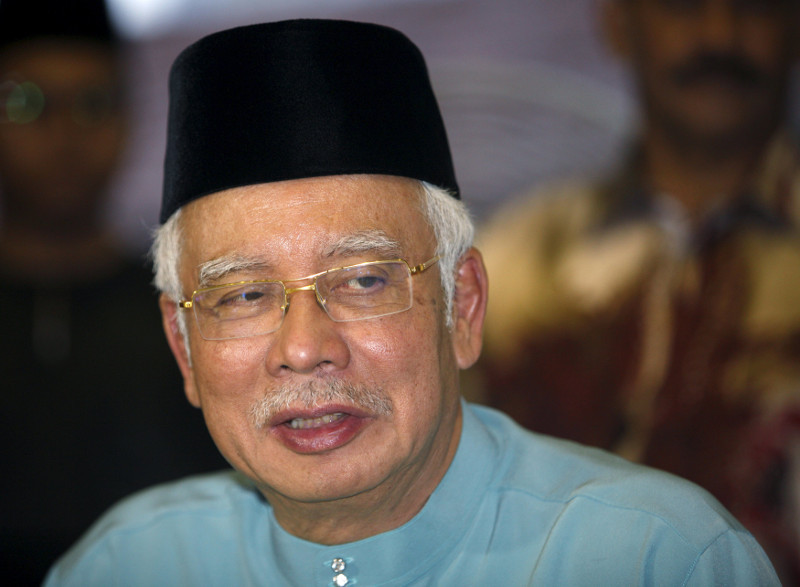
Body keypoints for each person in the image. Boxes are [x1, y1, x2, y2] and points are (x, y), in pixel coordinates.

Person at [44, 19, 779, 586]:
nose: (304, 347)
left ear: (462, 304)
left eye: (363, 279)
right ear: (183, 346)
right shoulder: (128, 564)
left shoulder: (655, 555)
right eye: (244, 294)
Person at [475, 0, 800, 581]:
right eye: (682, 7)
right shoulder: (517, 261)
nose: (719, 34)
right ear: (619, 24)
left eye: (756, 7)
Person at [0, 1, 225, 582]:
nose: (64, 136)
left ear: (132, 118)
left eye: (93, 103)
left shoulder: (190, 313)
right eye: (27, 104)